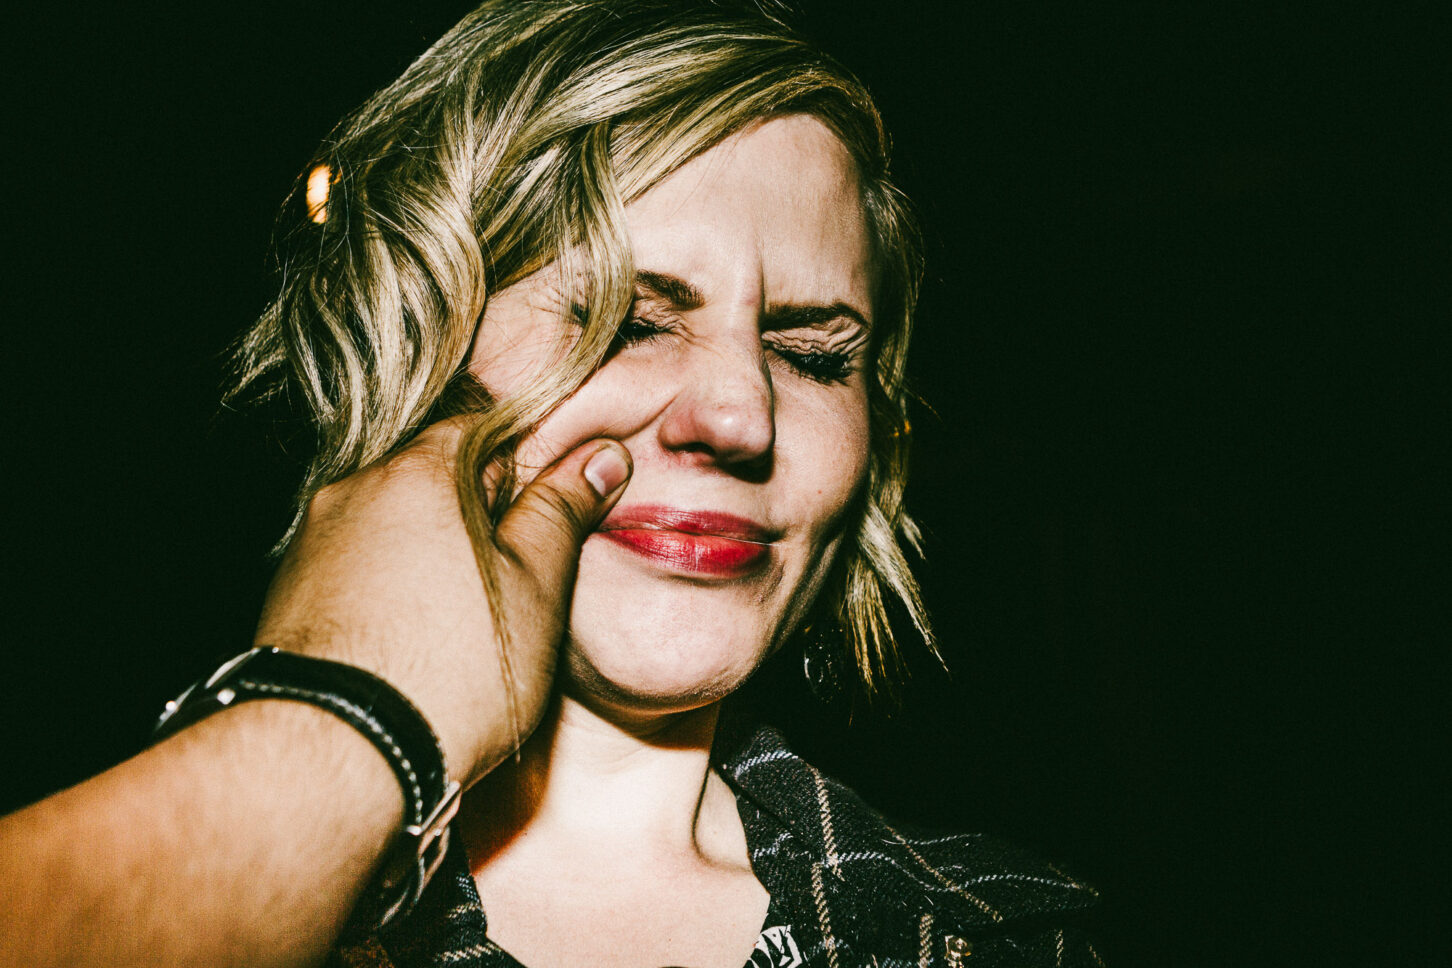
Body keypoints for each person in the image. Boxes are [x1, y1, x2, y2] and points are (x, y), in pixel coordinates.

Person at [0, 2, 1103, 966]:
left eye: (812, 354)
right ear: (419, 350)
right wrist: (343, 735)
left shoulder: (1003, 938)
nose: (742, 414)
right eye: (629, 318)